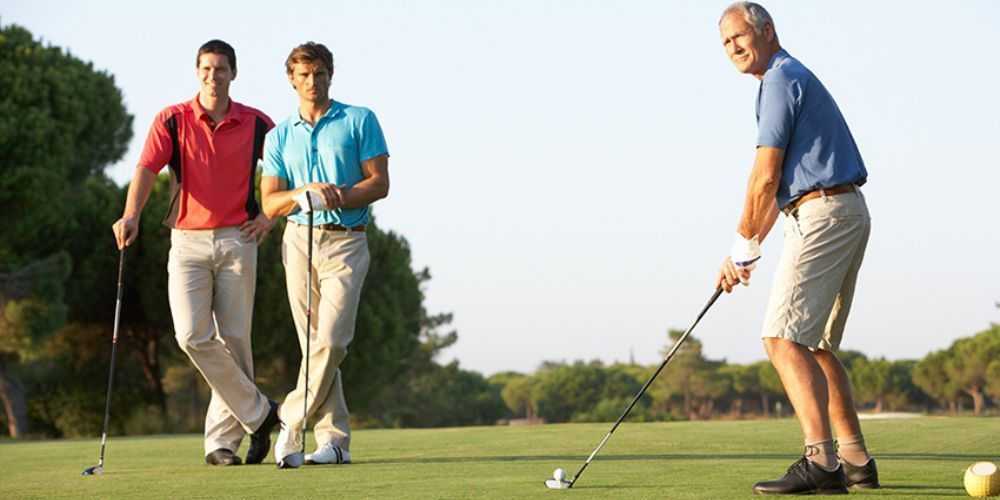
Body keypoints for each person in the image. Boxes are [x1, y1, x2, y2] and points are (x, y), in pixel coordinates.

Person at [716, 3, 878, 495]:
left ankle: (821, 462)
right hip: (842, 210)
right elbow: (781, 187)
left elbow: (764, 175)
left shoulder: (780, 80)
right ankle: (854, 460)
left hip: (823, 213)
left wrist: (743, 242)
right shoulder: (787, 77)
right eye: (725, 44)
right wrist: (745, 251)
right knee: (814, 345)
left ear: (768, 30)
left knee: (782, 339)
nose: (733, 48)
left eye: (740, 36)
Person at [112, 39, 280, 466]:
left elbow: (287, 173)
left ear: (233, 74)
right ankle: (260, 414)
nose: (212, 76)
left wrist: (269, 218)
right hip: (187, 241)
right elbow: (146, 168)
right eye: (205, 68)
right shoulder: (172, 120)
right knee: (191, 335)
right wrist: (131, 214)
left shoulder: (258, 122)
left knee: (235, 339)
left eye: (220, 69)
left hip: (238, 238)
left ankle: (222, 444)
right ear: (197, 72)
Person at [260, 42, 389, 469]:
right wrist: (301, 194)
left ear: (330, 74)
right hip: (298, 241)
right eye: (303, 75)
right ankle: (334, 441)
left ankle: (288, 418)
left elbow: (380, 183)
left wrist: (339, 195)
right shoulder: (278, 135)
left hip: (347, 240)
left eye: (319, 73)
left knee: (331, 340)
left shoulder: (359, 119)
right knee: (313, 345)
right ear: (292, 80)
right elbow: (269, 204)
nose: (312, 82)